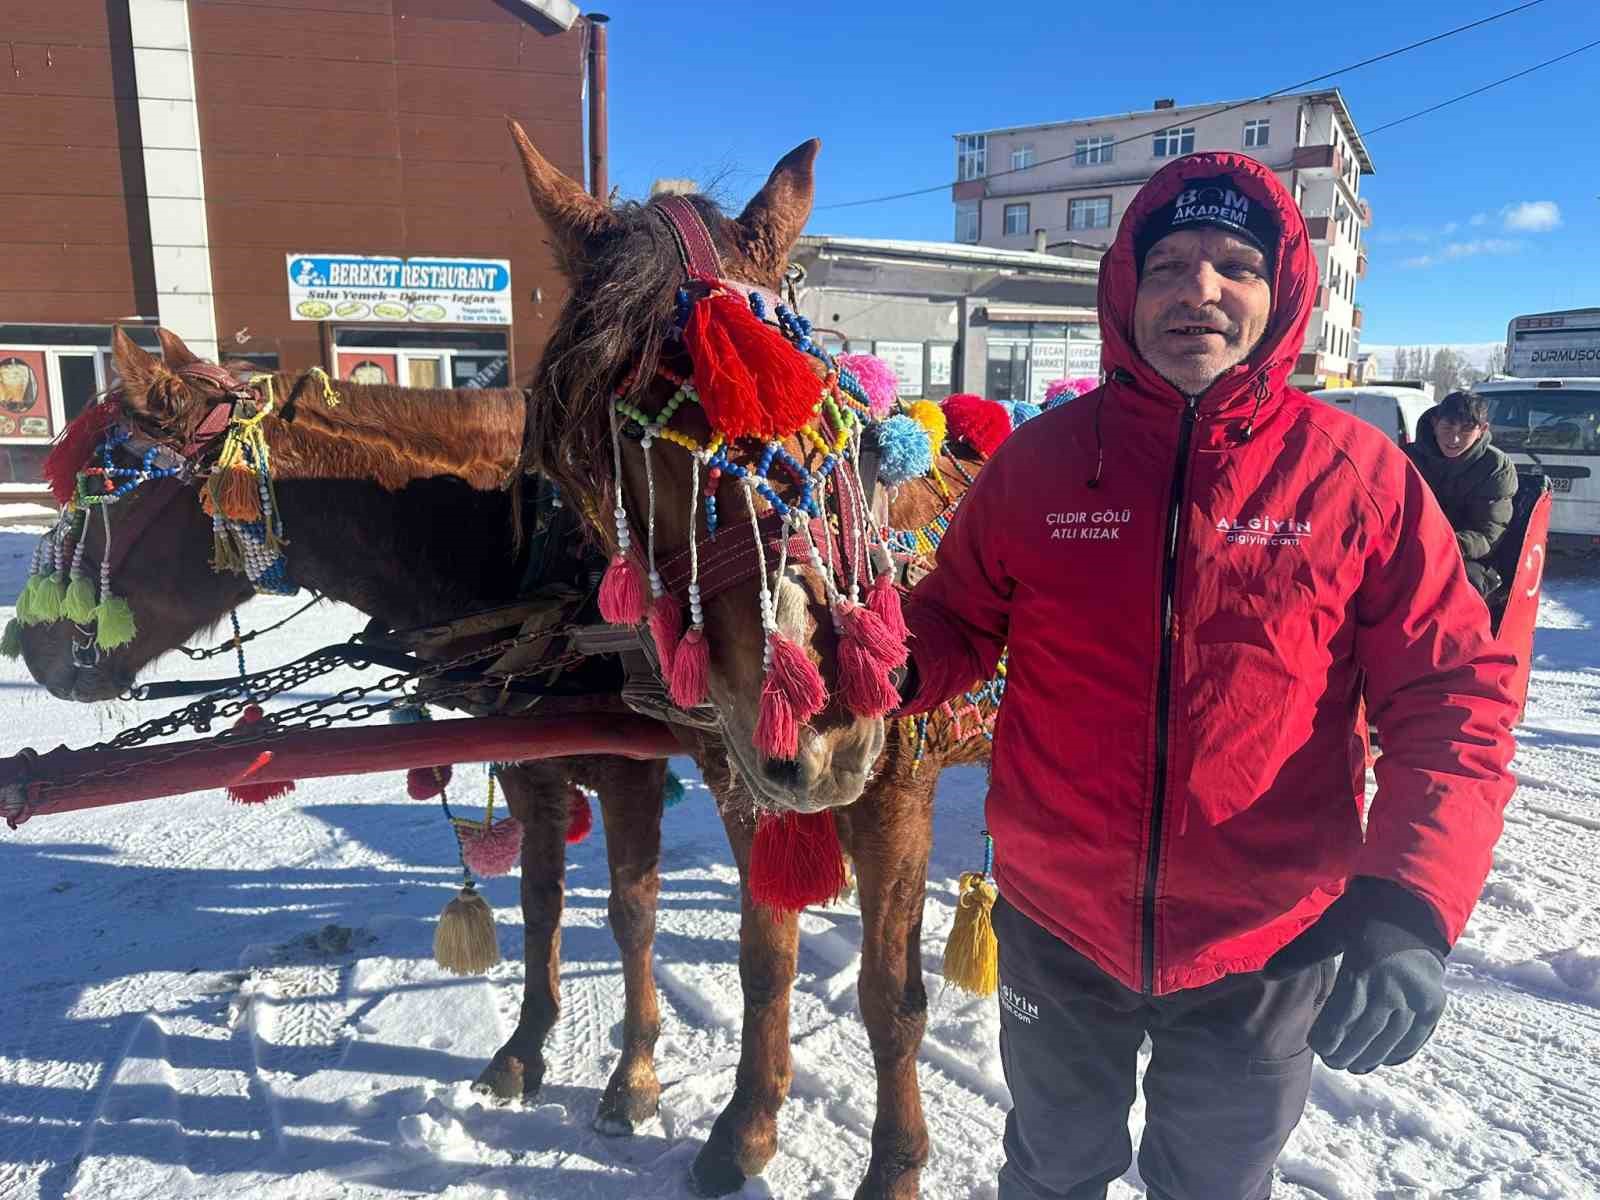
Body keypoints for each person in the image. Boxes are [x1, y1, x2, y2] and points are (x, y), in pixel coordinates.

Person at [898, 153, 1518, 1200]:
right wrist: (863, 663)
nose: (1200, 290)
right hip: (1056, 926)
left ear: (1281, 298)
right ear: (1125, 289)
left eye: (1234, 264)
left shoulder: (1359, 477)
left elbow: (1452, 700)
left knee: (1216, 1185)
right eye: (1171, 262)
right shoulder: (1041, 464)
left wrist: (1409, 901)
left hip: (1266, 945)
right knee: (1049, 1172)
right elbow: (953, 623)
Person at [1403, 390, 1519, 598]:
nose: (1454, 438)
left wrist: (1439, 544)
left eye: (1466, 430)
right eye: (1447, 427)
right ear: (1435, 423)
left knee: (1447, 588)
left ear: (1482, 430)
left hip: (1468, 556)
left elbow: (1489, 535)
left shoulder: (1496, 467)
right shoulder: (1407, 457)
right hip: (1409, 546)